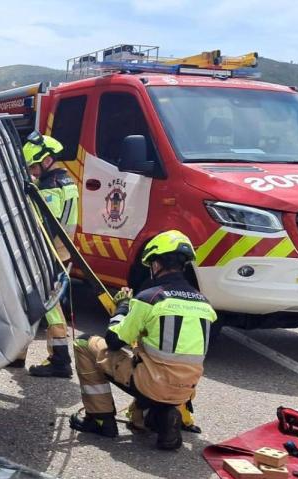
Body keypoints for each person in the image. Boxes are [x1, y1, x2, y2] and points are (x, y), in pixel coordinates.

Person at [69, 230, 216, 450]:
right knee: (141, 411)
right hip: (186, 390)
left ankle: (100, 420)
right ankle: (158, 417)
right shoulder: (204, 303)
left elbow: (114, 341)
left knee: (85, 343)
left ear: (156, 265)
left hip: (152, 383)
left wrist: (122, 306)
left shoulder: (150, 298)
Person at [19, 133, 79, 378]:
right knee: (35, 302)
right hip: (63, 251)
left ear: (45, 161)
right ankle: (17, 355)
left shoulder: (50, 187)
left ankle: (60, 360)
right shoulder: (67, 181)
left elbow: (45, 225)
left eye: (33, 166)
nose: (32, 172)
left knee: (50, 305)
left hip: (51, 253)